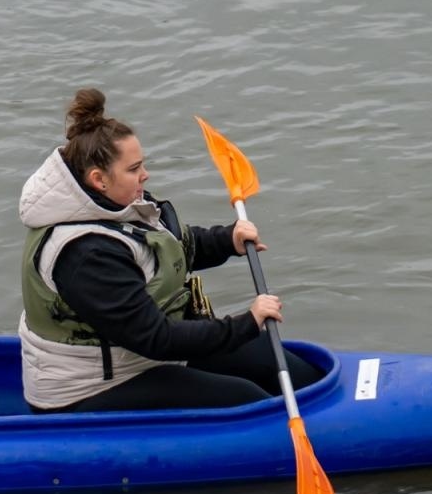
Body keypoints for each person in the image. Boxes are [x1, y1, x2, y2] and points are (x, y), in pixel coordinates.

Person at [18, 87, 324, 412]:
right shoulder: (86, 255)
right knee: (247, 400)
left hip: (142, 357)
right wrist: (246, 322)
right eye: (134, 169)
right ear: (99, 179)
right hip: (91, 388)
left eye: (142, 165)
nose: (144, 175)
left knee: (280, 365)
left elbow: (166, 250)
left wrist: (227, 240)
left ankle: (320, 410)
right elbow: (157, 338)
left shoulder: (118, 205)